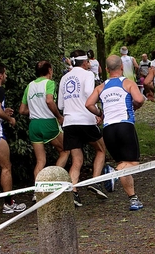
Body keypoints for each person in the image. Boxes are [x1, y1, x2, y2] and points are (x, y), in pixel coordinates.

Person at [85, 55, 146, 211]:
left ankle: (133, 199)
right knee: (133, 163)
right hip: (125, 126)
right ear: (122, 68)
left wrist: (100, 113)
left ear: (106, 70)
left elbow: (89, 104)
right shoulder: (127, 82)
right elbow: (139, 99)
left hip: (108, 129)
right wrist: (133, 107)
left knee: (123, 163)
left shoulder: (101, 87)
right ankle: (112, 172)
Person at [58, 50, 108, 207]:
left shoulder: (64, 78)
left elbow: (60, 105)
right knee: (101, 150)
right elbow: (88, 93)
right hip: (85, 119)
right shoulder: (88, 75)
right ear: (85, 62)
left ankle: (73, 191)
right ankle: (95, 181)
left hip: (69, 122)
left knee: (77, 160)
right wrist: (99, 112)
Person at [19, 61, 70, 202]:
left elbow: (22, 110)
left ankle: (38, 191)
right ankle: (53, 184)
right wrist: (59, 116)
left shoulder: (29, 86)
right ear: (49, 70)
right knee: (65, 150)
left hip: (34, 124)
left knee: (40, 160)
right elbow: (49, 101)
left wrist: (35, 110)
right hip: (48, 122)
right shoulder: (49, 83)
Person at [0, 62, 26, 213]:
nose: (6, 76)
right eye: (4, 73)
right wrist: (9, 119)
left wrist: (5, 111)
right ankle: (8, 203)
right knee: (6, 167)